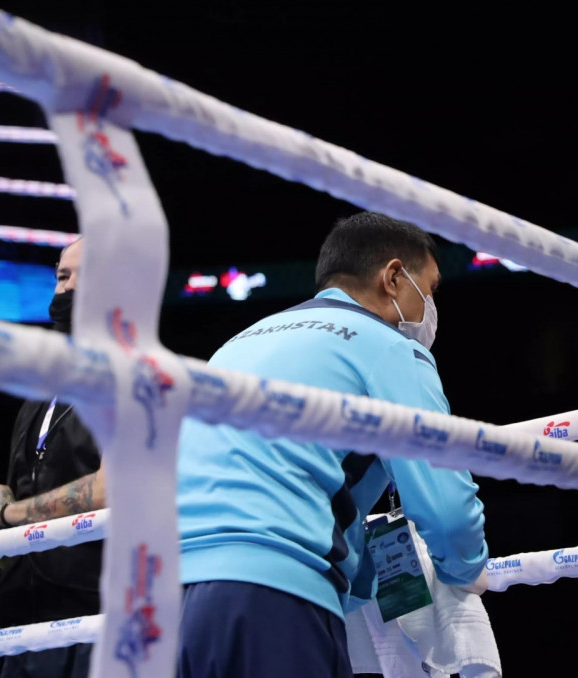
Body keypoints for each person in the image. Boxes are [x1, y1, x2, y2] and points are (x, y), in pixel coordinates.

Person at [175, 212, 488, 678]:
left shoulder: (235, 345)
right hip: (278, 588)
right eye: (430, 289)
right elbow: (445, 505)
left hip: (178, 599)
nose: (431, 306)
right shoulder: (390, 347)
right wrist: (466, 569)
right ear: (394, 278)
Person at [0, 237, 108, 678]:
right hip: (19, 622)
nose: (65, 290)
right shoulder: (40, 393)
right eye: (61, 275)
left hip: (95, 623)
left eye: (82, 276)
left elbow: (112, 486)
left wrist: (7, 511)